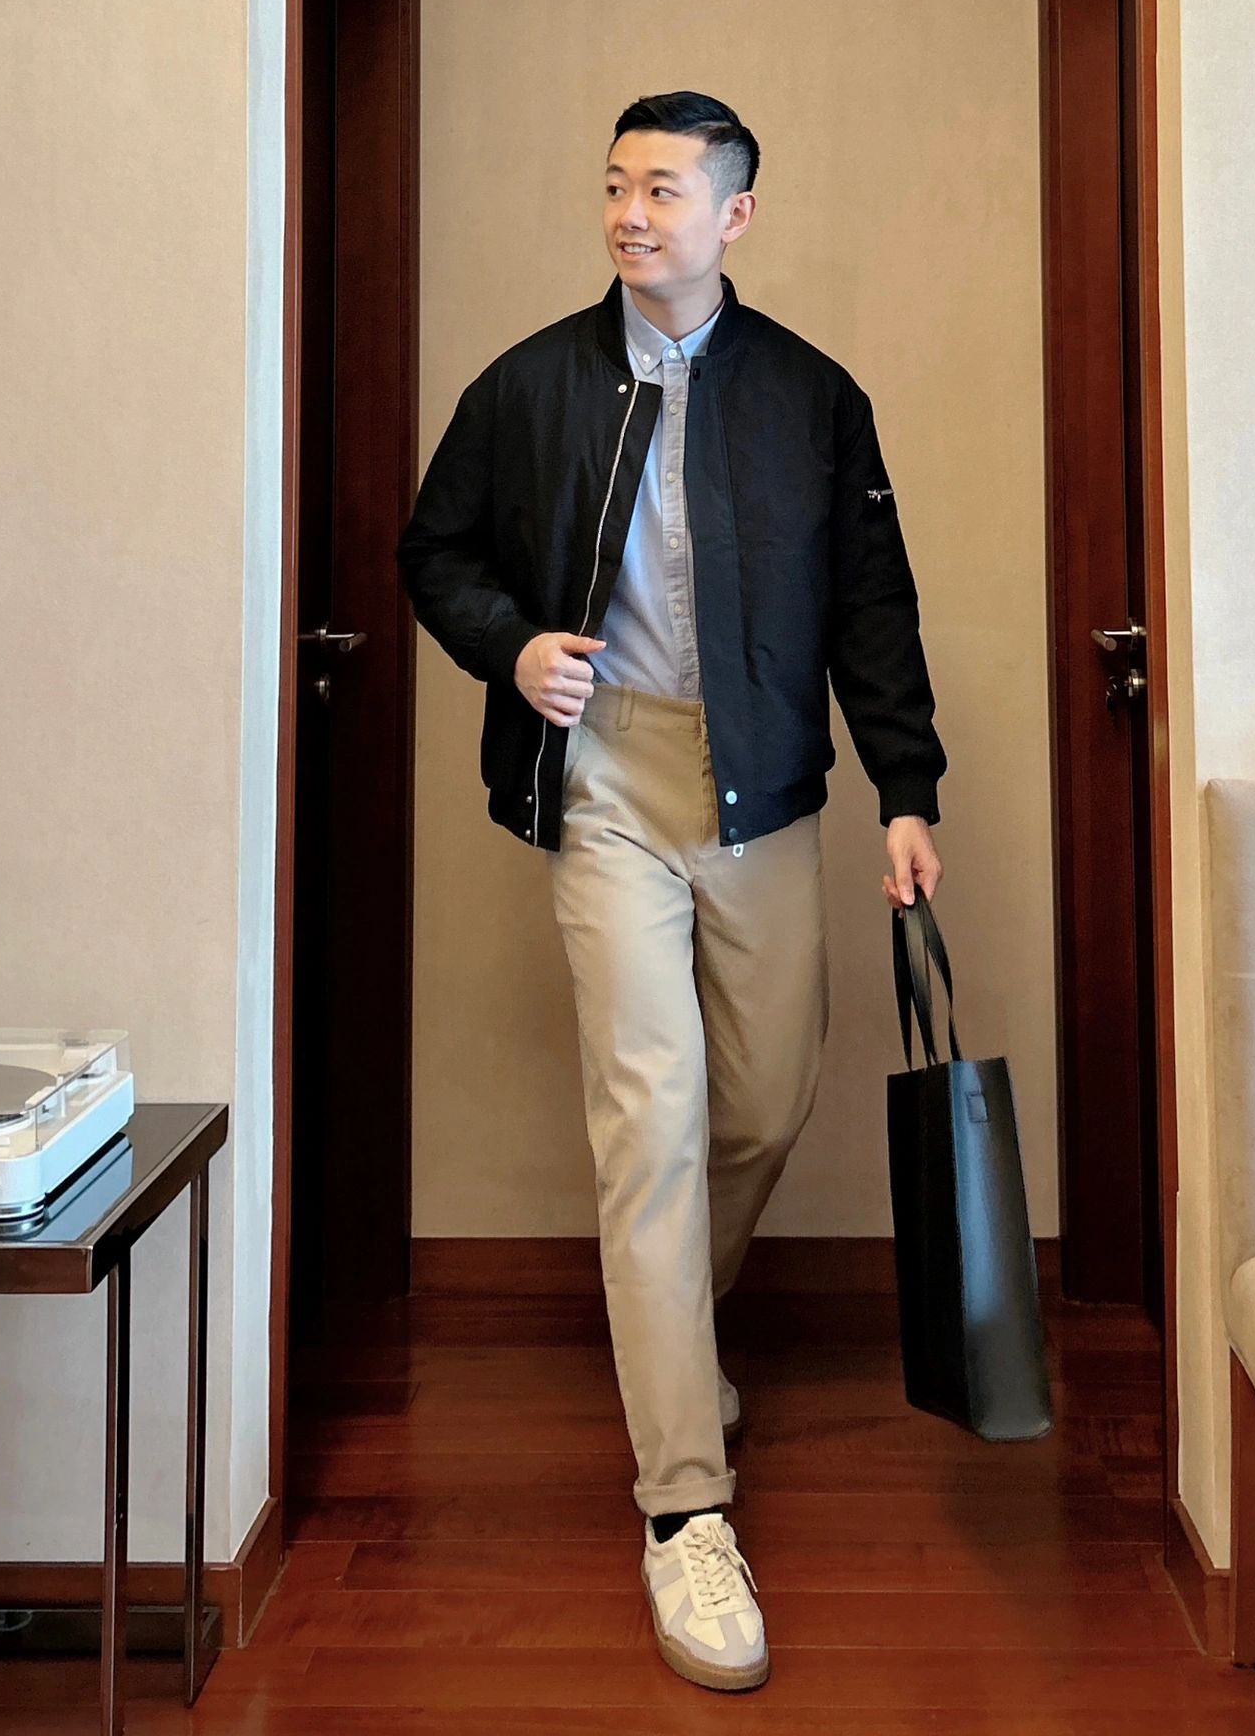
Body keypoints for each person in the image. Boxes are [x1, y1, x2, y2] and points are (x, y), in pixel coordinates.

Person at [399, 90, 946, 1693]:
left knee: (761, 1103)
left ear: (733, 215)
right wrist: (513, 647)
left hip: (759, 783)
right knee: (650, 1124)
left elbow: (871, 604)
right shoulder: (529, 384)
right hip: (606, 787)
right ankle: (683, 1505)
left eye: (663, 190)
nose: (631, 214)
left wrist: (906, 789)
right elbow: (436, 553)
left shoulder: (809, 397)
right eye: (615, 186)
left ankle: (672, 1346)